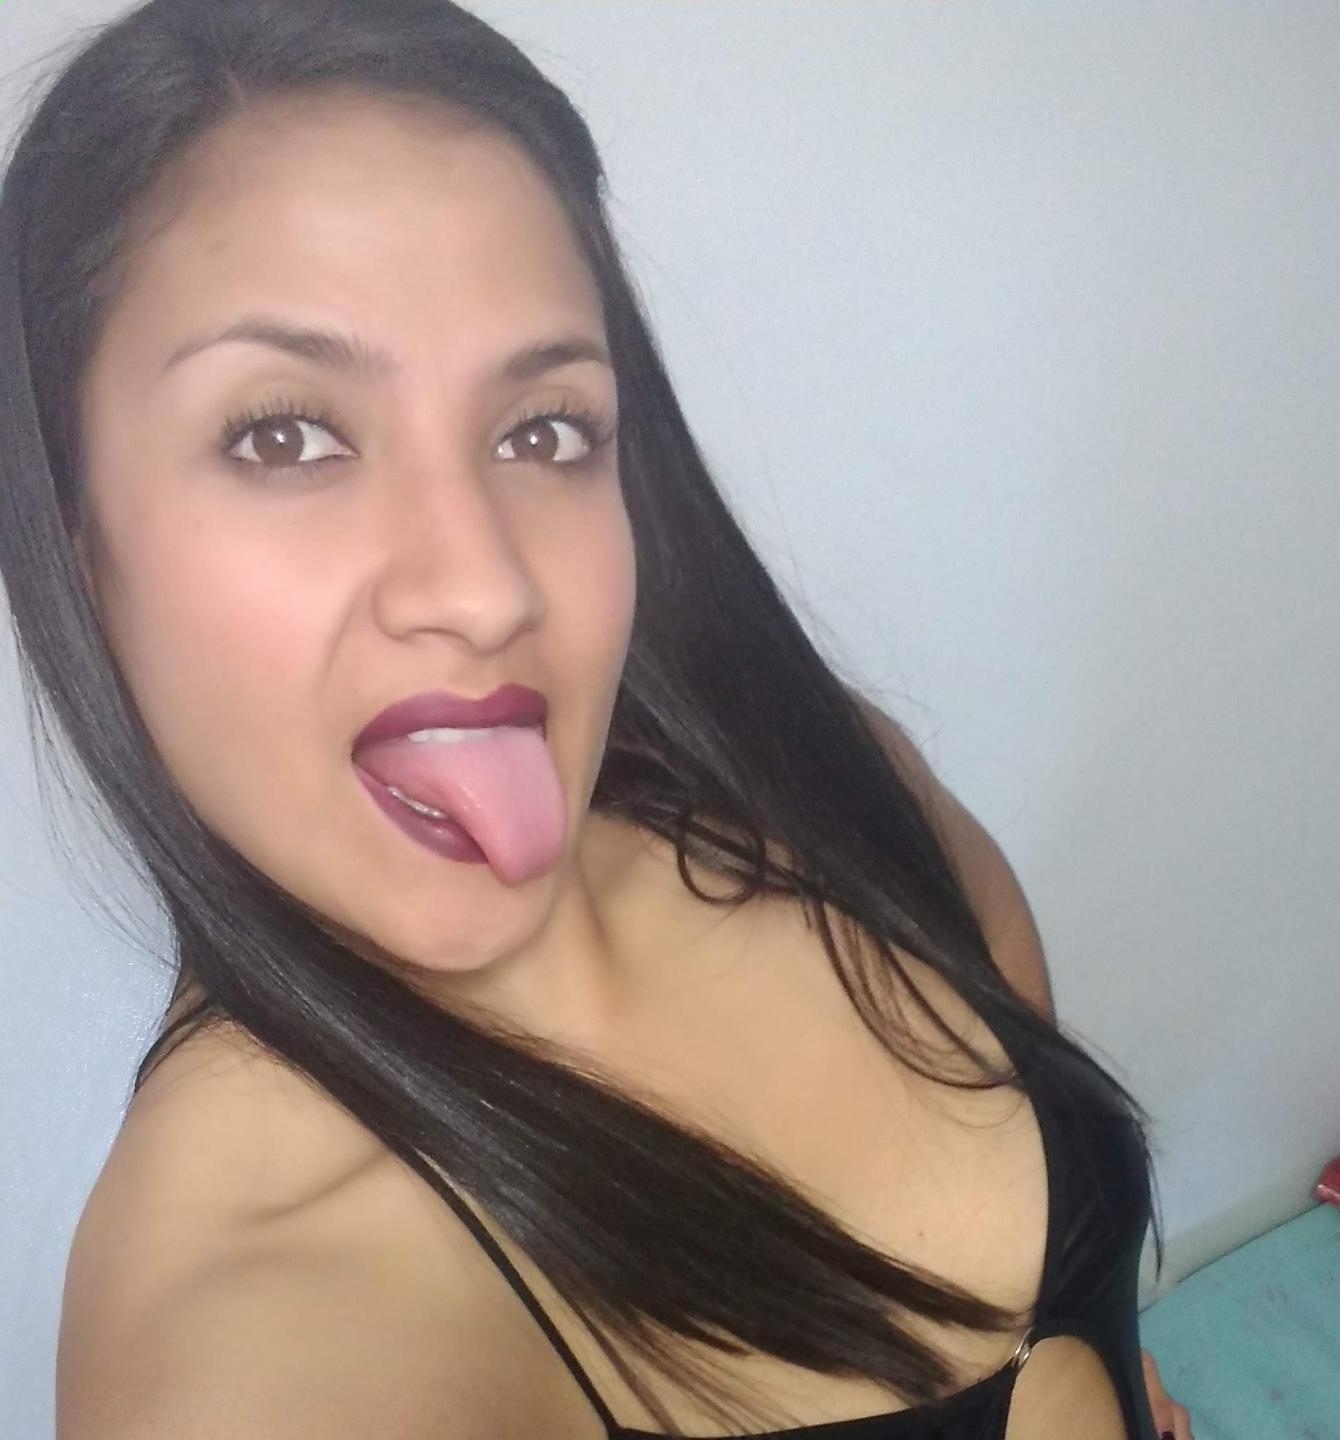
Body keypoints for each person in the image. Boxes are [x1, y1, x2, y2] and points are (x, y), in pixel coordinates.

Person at [0, 1, 1190, 1436]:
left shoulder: (824, 781)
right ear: (78, 540)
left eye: (541, 430)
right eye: (285, 434)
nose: (484, 585)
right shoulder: (237, 1361)